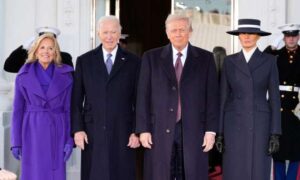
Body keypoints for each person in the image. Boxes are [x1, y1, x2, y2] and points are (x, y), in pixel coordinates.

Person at [136, 13, 219, 180]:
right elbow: (142, 96)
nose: (178, 34)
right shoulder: (151, 58)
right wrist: (143, 129)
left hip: (194, 129)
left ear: (190, 31)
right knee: (161, 173)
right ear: (167, 33)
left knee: (190, 173)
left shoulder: (205, 58)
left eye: (182, 29)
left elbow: (212, 97)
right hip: (158, 128)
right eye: (173, 30)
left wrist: (211, 131)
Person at [71, 15, 140, 180]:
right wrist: (77, 130)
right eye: (105, 32)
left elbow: (140, 101)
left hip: (123, 131)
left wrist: (137, 131)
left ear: (119, 34)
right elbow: (75, 100)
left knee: (121, 173)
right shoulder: (84, 61)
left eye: (113, 32)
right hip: (92, 131)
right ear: (98, 34)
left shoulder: (134, 62)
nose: (109, 36)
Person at [216, 19, 281, 180]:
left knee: (258, 169)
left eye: (251, 33)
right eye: (243, 33)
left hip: (260, 124)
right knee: (234, 168)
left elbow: (274, 98)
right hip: (233, 123)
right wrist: (219, 132)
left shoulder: (269, 61)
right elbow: (223, 97)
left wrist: (275, 133)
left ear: (258, 36)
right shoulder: (229, 61)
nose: (247, 37)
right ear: (238, 36)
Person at [10, 33, 74, 180]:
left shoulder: (66, 75)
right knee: (33, 174)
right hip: (31, 131)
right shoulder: (23, 75)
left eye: (50, 48)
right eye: (42, 47)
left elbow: (69, 109)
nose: (46, 51)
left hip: (57, 131)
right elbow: (17, 111)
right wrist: (16, 141)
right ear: (36, 50)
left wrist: (69, 140)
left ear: (56, 52)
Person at [264, 23, 300, 180]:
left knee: (296, 151)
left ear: (298, 37)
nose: (291, 39)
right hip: (277, 107)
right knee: (277, 151)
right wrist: (273, 44)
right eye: (288, 36)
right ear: (284, 37)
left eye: (294, 36)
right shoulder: (276, 55)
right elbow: (263, 59)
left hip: (296, 108)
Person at [4, 26, 73, 73]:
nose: (46, 51)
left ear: (55, 42)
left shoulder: (64, 57)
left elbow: (70, 79)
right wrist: (23, 48)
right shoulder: (31, 56)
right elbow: (9, 67)